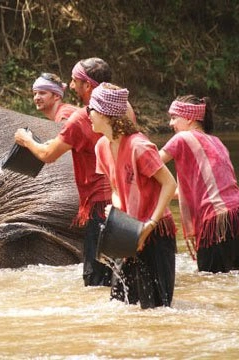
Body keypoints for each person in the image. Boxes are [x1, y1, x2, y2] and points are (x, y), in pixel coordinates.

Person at [15, 57, 116, 287]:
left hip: (99, 204)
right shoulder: (123, 108)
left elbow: (49, 155)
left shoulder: (79, 118)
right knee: (119, 277)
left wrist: (26, 139)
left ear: (88, 86)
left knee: (96, 283)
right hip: (124, 200)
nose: (70, 86)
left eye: (74, 81)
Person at [90, 82, 177, 309]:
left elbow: (169, 184)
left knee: (157, 309)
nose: (88, 114)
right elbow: (116, 189)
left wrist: (150, 224)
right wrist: (116, 214)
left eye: (91, 109)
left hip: (155, 231)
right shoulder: (101, 146)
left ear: (105, 114)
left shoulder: (140, 146)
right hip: (127, 231)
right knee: (121, 305)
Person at [159, 95, 239, 273]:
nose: (170, 123)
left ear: (189, 119)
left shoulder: (183, 137)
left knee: (211, 279)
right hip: (235, 215)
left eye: (174, 117)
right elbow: (204, 190)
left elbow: (149, 163)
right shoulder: (217, 142)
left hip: (216, 223)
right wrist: (164, 191)